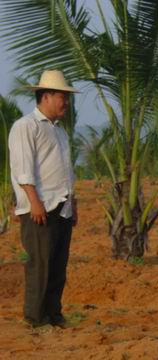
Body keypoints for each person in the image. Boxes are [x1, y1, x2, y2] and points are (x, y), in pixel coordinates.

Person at [9, 70, 78, 328]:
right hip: (40, 206)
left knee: (58, 266)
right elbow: (23, 168)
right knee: (40, 265)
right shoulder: (26, 127)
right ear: (46, 96)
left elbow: (65, 169)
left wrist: (74, 202)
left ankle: (54, 314)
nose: (66, 103)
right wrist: (34, 201)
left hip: (62, 206)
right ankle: (36, 318)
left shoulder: (59, 131)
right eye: (63, 97)